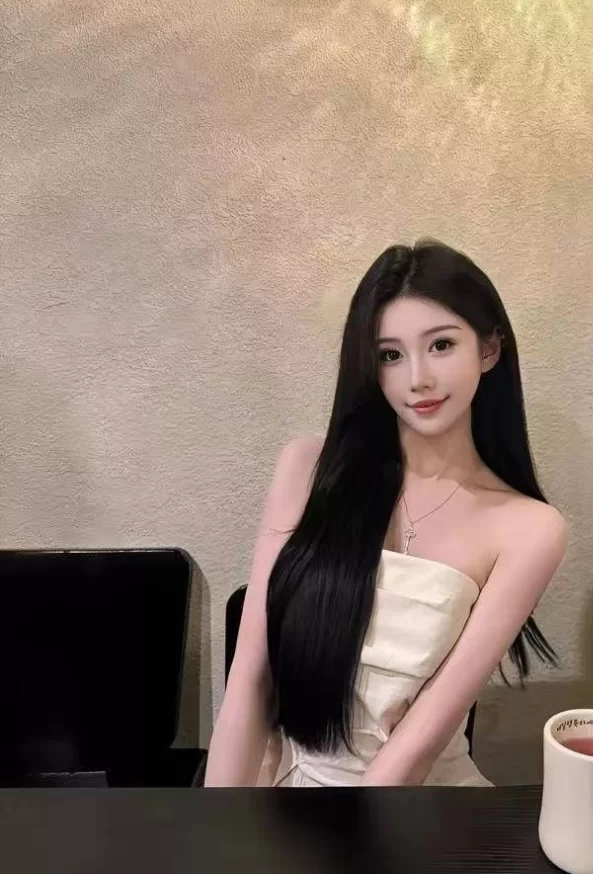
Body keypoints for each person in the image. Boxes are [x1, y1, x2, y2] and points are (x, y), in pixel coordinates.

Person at [204, 240, 568, 787]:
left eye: (441, 345)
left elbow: (422, 741)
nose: (417, 378)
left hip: (412, 805)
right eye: (390, 355)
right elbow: (250, 678)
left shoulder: (529, 529)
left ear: (490, 349)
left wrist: (345, 843)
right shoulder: (307, 469)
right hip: (284, 790)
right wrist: (217, 826)